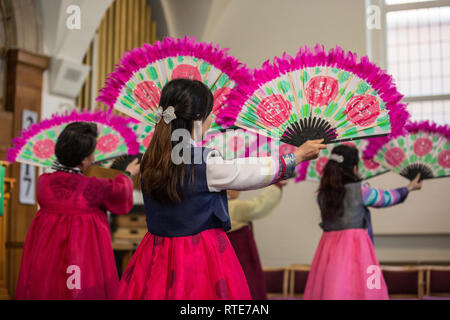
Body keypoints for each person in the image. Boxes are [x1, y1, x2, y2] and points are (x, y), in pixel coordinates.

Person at [116, 78, 326, 300]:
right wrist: (297, 156)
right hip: (197, 254)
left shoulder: (151, 157)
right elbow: (247, 172)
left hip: (155, 253)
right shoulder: (204, 162)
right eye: (209, 113)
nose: (211, 119)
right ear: (198, 119)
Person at [16, 122, 140, 300]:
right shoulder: (92, 187)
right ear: (84, 160)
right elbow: (119, 191)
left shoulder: (44, 183)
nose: (94, 156)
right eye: (92, 152)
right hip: (81, 260)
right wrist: (128, 174)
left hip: (47, 261)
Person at [304, 145, 422, 300]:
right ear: (354, 167)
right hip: (357, 247)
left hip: (328, 249)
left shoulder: (322, 195)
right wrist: (408, 188)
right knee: (367, 287)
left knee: (333, 287)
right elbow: (387, 198)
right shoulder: (361, 190)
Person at [227, 181, 287, 300]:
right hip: (240, 262)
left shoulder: (217, 206)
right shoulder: (231, 207)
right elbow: (259, 205)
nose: (239, 189)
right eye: (235, 186)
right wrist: (276, 186)